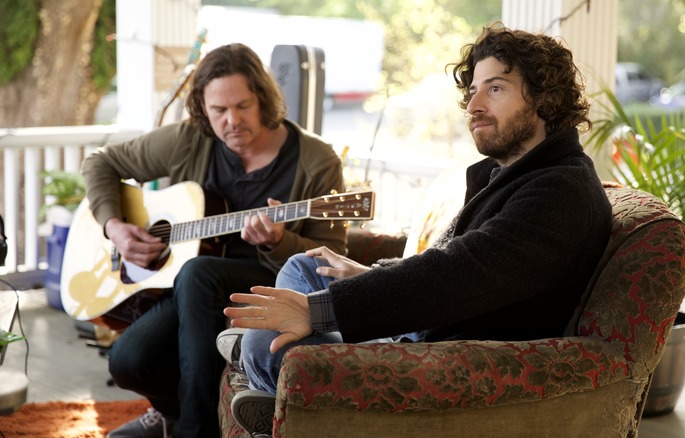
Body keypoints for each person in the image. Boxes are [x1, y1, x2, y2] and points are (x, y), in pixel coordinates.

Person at [220, 23, 613, 436]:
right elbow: (446, 261)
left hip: (447, 359)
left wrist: (315, 311)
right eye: (473, 90)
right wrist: (369, 275)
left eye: (495, 89)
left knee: (266, 342)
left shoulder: (561, 193)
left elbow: (458, 274)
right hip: (430, 323)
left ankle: (265, 373)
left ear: (546, 99)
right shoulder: (516, 175)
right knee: (306, 265)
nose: (473, 105)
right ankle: (266, 365)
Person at [80, 43, 347, 437]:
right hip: (189, 285)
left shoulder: (316, 160)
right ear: (203, 109)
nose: (232, 121)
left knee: (199, 271)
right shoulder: (190, 140)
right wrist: (114, 227)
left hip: (267, 284)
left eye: (242, 106)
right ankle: (169, 413)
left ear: (264, 99)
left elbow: (329, 262)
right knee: (127, 360)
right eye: (218, 111)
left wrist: (278, 241)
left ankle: (195, 429)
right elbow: (99, 161)